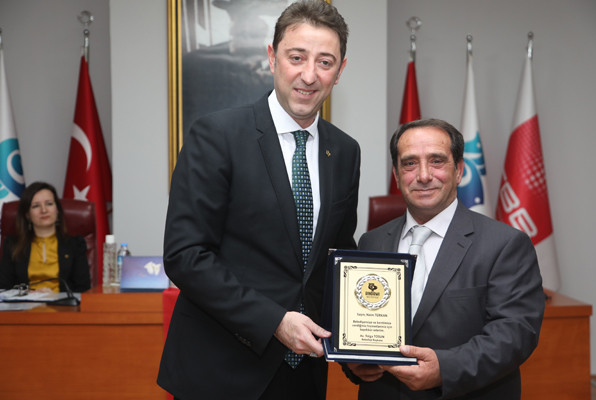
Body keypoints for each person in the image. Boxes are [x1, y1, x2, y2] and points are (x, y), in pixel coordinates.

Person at [157, 1, 360, 399]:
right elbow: (186, 255)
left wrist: (362, 343)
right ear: (272, 57)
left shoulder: (344, 151)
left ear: (339, 71)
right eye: (296, 57)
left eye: (324, 62)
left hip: (304, 376)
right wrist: (273, 321)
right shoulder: (216, 136)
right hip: (221, 373)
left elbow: (337, 256)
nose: (309, 75)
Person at [345, 119, 545, 399]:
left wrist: (445, 369)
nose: (424, 175)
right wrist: (353, 361)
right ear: (396, 174)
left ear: (459, 170)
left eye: (436, 161)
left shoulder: (505, 244)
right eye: (410, 163)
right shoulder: (371, 242)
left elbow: (515, 334)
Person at [0, 181, 91, 293]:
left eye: (49, 204)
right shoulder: (12, 245)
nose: (44, 210)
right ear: (27, 215)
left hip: (63, 303)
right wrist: (27, 293)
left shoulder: (75, 244)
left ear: (57, 210)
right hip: (25, 303)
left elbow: (83, 289)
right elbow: (4, 288)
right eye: (36, 206)